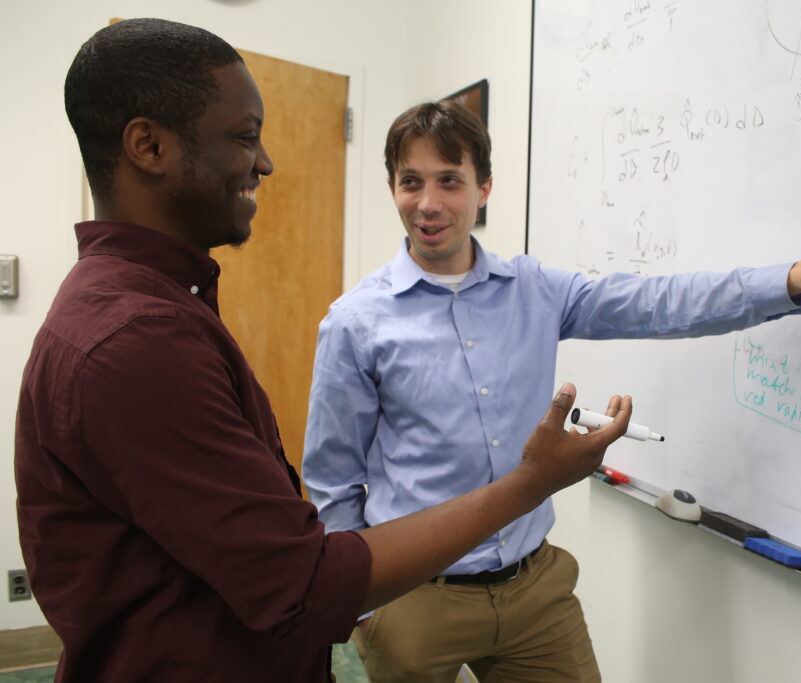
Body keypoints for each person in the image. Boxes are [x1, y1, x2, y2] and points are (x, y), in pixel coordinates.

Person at [14, 20, 632, 683]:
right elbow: (301, 578)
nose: (265, 161)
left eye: (451, 181)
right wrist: (530, 481)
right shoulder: (132, 341)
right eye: (245, 136)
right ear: (149, 145)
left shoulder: (158, 304)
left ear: (484, 189)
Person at [302, 99, 801, 682]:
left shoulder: (534, 290)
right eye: (411, 182)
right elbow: (333, 476)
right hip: (414, 599)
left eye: (449, 180)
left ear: (483, 188)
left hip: (534, 589)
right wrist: (361, 605)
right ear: (392, 189)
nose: (429, 203)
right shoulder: (356, 322)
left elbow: (660, 304)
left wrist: (800, 277)